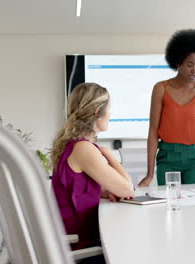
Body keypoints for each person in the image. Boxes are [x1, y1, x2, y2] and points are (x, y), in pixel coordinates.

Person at [138, 29, 195, 187]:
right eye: (190, 65)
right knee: (170, 201)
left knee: (194, 203)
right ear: (178, 63)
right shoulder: (161, 89)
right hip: (167, 157)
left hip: (194, 158)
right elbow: (153, 130)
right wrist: (149, 173)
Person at [51, 83, 134, 255]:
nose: (110, 114)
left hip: (70, 240)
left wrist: (104, 192)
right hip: (82, 246)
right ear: (97, 112)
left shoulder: (72, 145)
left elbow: (76, 188)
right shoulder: (84, 148)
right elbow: (128, 189)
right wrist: (109, 155)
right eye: (109, 109)